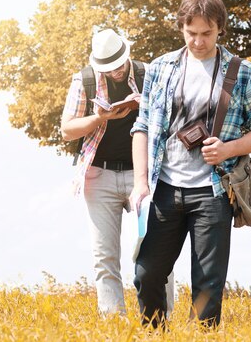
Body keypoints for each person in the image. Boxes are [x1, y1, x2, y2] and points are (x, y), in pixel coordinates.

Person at [130, 0, 251, 327]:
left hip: (214, 191)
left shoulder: (244, 73)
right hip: (165, 188)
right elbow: (142, 126)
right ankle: (154, 334)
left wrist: (228, 149)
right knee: (147, 273)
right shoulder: (160, 68)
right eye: (191, 32)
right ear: (181, 27)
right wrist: (140, 183)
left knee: (208, 286)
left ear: (220, 29)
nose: (198, 41)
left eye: (206, 33)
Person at [61, 29, 174, 315]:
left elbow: (171, 117)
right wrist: (99, 118)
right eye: (109, 68)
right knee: (105, 256)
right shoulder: (84, 80)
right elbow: (67, 129)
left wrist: (144, 106)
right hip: (99, 175)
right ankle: (113, 323)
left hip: (145, 174)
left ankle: (161, 320)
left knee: (159, 250)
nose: (116, 71)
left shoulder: (149, 74)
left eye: (120, 64)